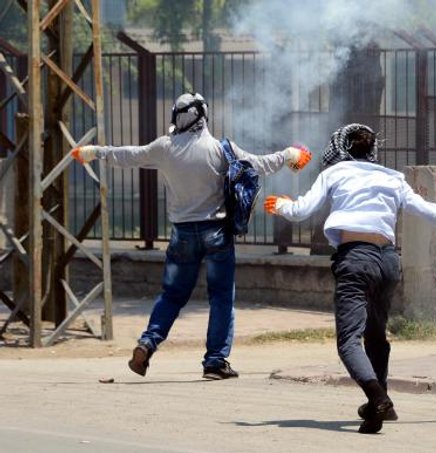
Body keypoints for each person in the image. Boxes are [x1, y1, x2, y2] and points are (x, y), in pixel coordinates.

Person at [264, 123, 436, 434]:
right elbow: (434, 213)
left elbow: (302, 210)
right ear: (372, 150)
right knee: (375, 336)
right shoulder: (391, 178)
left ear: (341, 149)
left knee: (348, 342)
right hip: (388, 262)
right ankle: (377, 409)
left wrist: (281, 205)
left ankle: (378, 397)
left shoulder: (334, 173)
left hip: (356, 259)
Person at [72, 92, 312, 380]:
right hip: (217, 235)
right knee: (221, 298)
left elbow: (128, 155)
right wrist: (288, 155)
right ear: (204, 116)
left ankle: (147, 344)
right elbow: (258, 164)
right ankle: (215, 362)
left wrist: (95, 152)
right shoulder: (220, 149)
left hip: (182, 236)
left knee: (172, 296)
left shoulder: (164, 147)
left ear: (177, 116)